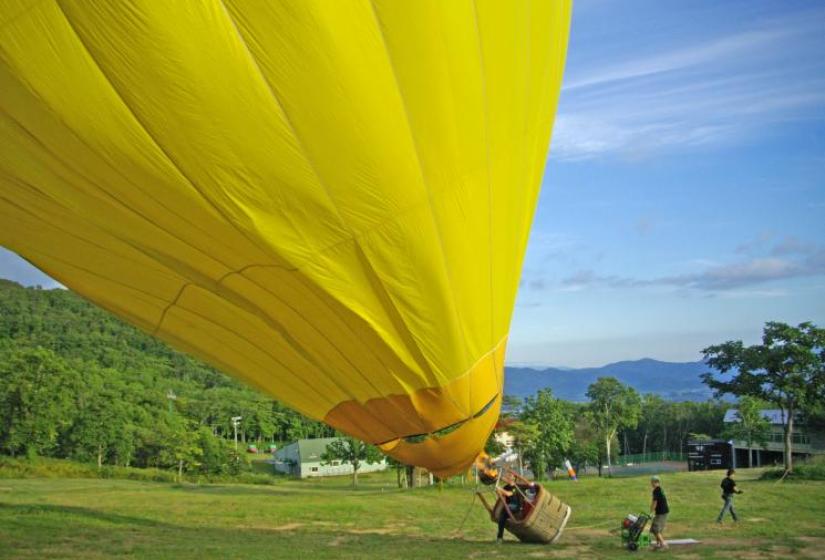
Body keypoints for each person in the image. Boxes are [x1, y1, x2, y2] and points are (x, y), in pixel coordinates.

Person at [495, 473, 522, 543]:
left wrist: (500, 488)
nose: (508, 476)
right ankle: (499, 538)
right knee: (502, 518)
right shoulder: (506, 487)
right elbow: (501, 495)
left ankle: (499, 538)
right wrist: (498, 492)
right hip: (508, 507)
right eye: (508, 475)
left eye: (510, 476)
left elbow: (508, 494)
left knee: (505, 510)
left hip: (516, 507)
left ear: (514, 478)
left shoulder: (516, 487)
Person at [649, 475, 669, 550]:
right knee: (656, 529)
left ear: (654, 482)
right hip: (662, 511)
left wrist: (651, 512)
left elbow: (655, 502)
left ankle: (664, 545)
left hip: (661, 512)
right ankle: (658, 544)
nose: (651, 484)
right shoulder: (660, 489)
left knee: (655, 528)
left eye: (651, 482)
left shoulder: (656, 490)